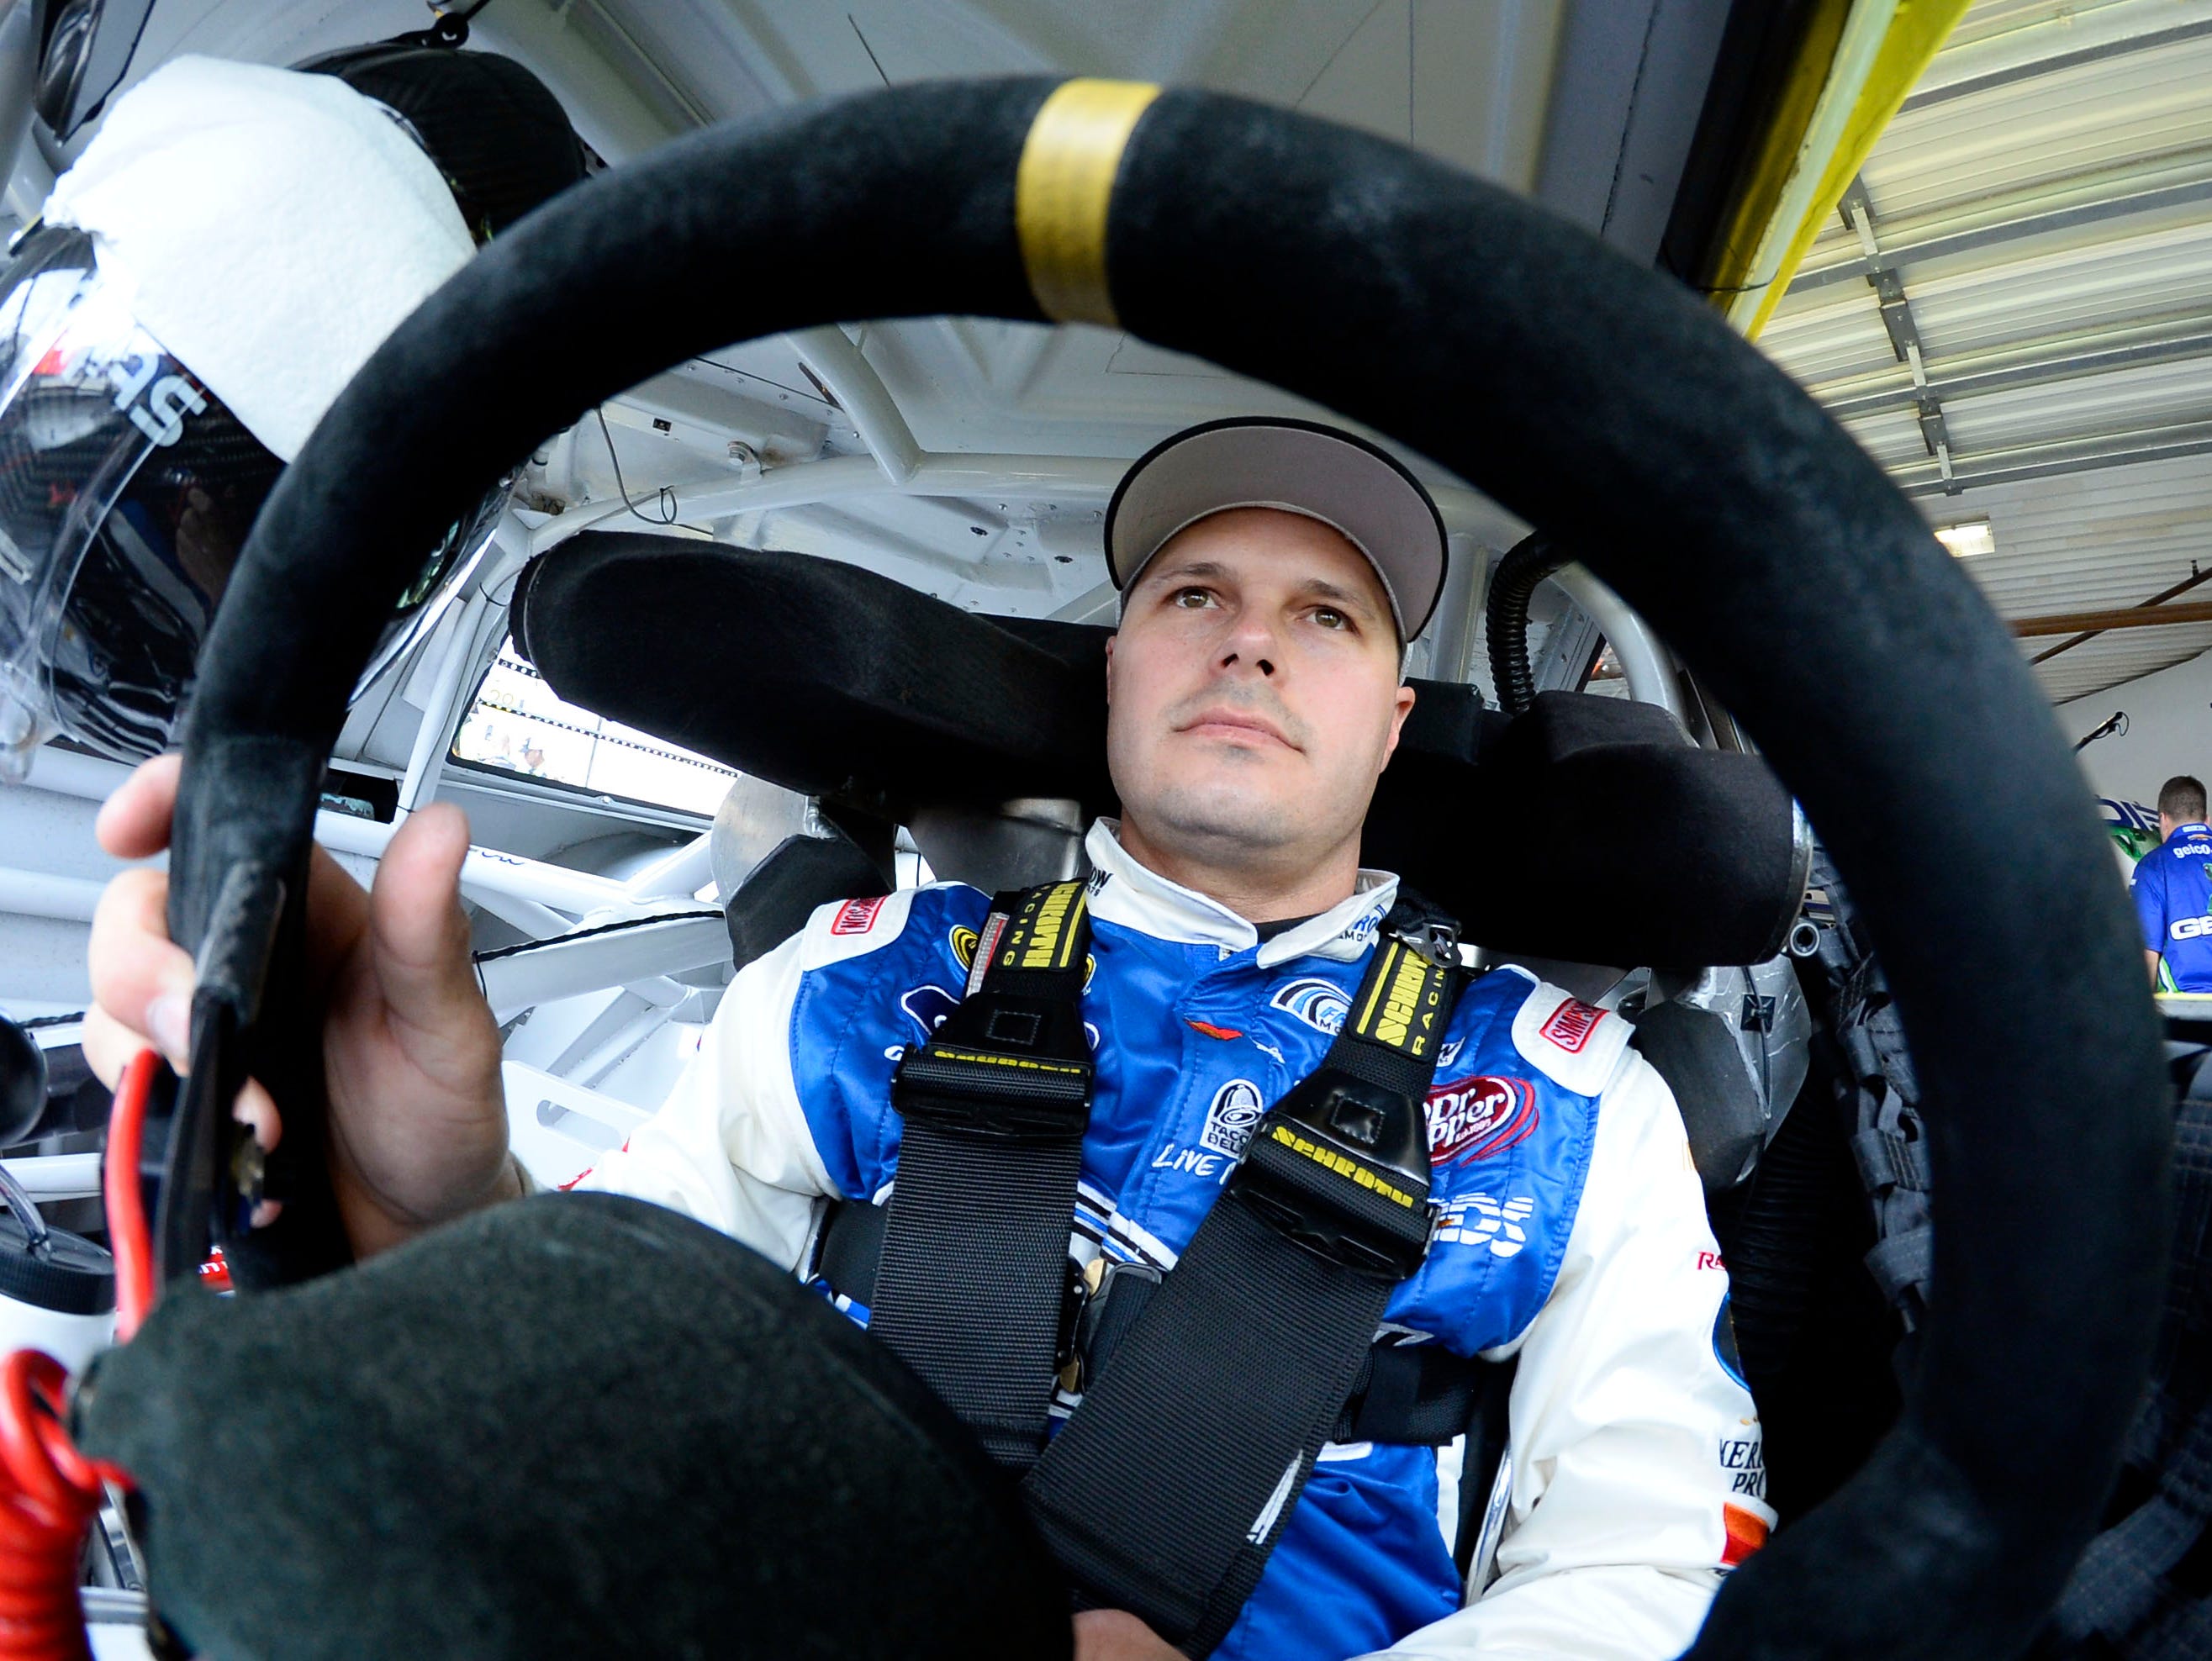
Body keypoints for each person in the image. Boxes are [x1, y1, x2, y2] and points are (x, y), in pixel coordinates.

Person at [83, 419, 1769, 1661]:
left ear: (1390, 724)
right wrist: (421, 1214)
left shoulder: (1565, 1097)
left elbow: (1649, 1570)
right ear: (1118, 671)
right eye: (1194, 592)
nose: (1250, 634)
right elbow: (616, 1369)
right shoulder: (848, 984)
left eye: (1325, 615)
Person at [2133, 774, 2212, 992]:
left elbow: (2147, 953)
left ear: (2163, 820)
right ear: (2207, 820)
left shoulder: (2153, 867)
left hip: (2186, 1009)